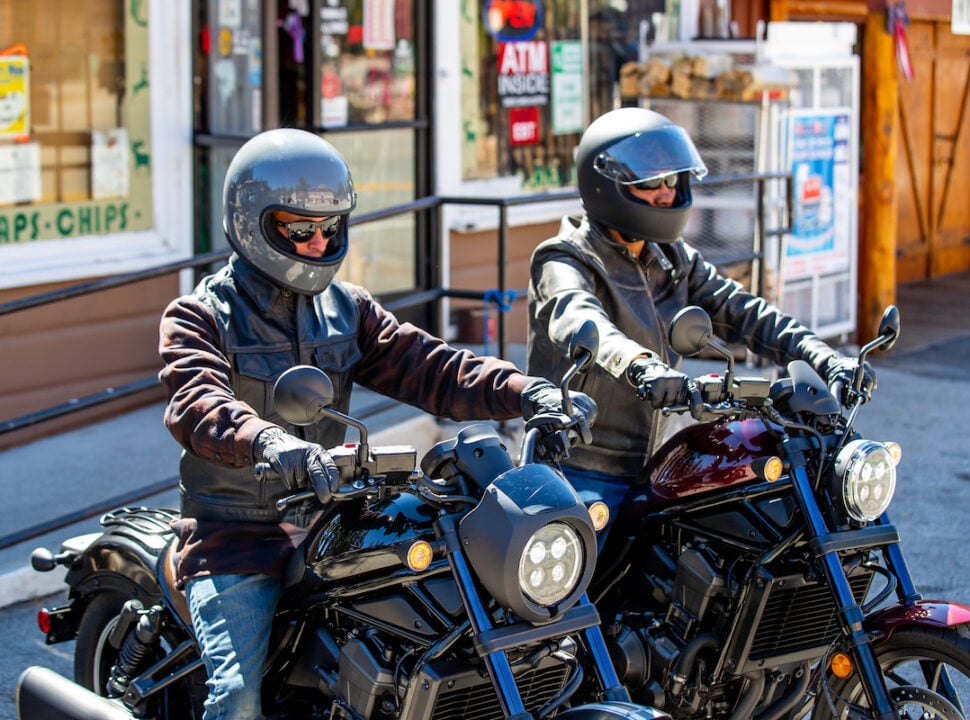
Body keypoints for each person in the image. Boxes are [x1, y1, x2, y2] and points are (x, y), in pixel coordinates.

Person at [158, 128, 595, 720]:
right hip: (237, 535)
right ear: (250, 222)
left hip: (326, 518)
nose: (318, 243)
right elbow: (198, 403)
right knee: (237, 699)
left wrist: (528, 391)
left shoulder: (349, 308)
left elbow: (433, 368)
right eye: (298, 229)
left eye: (331, 229)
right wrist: (266, 438)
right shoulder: (201, 315)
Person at [527, 107, 874, 519]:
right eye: (650, 182)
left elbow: (745, 312)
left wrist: (823, 356)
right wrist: (642, 366)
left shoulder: (673, 260)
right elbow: (583, 319)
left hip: (657, 464)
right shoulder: (564, 260)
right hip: (579, 468)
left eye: (671, 180)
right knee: (569, 580)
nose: (667, 193)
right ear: (607, 184)